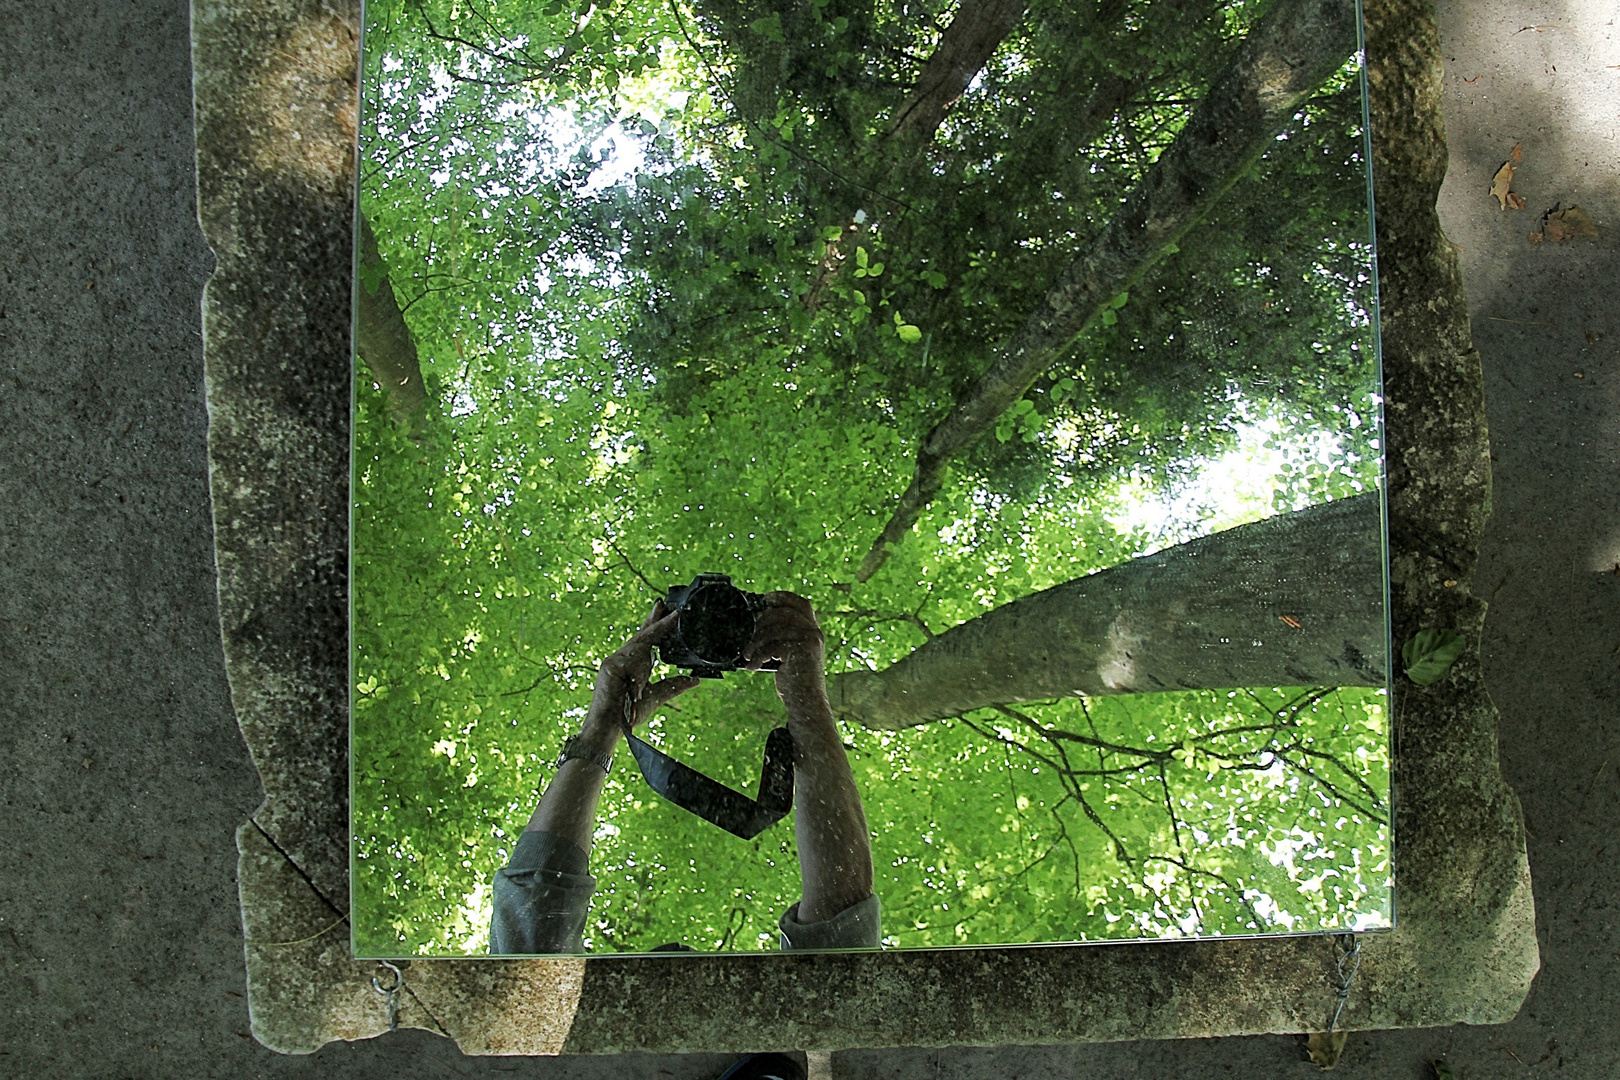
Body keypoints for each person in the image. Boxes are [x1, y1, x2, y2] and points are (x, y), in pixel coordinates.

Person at [489, 591, 880, 953]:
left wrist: (603, 726)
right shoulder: (812, 1022)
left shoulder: (543, 1021)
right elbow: (841, 928)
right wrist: (807, 696)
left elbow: (529, 935)